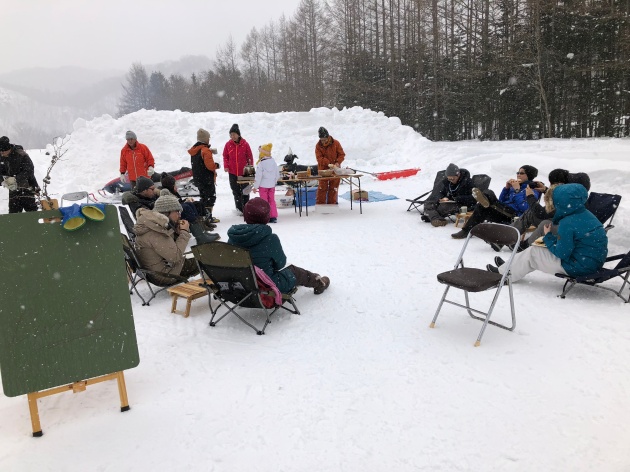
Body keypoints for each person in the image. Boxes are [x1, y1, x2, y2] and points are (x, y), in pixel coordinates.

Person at [487, 183, 608, 282]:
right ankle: (509, 267)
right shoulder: (586, 214)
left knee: (534, 252)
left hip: (578, 267)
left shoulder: (567, 222)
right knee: (536, 249)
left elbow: (562, 253)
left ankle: (503, 275)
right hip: (592, 262)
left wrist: (548, 236)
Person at [227, 198, 330, 294]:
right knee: (293, 271)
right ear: (266, 217)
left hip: (241, 285)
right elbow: (281, 264)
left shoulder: (234, 237)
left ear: (245, 216)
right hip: (266, 287)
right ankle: (319, 282)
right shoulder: (270, 239)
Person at [451, 165, 540, 239]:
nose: (518, 175)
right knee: (482, 203)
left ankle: (485, 200)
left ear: (529, 175)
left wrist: (517, 191)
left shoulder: (532, 189)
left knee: (488, 194)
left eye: (521, 173)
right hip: (504, 212)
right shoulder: (515, 185)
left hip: (514, 215)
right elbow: (502, 201)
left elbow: (525, 208)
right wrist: (507, 188)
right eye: (518, 172)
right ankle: (466, 231)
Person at [133, 190, 200, 286]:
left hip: (156, 271)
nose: (179, 215)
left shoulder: (151, 224)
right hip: (165, 275)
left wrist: (176, 231)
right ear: (166, 213)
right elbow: (175, 257)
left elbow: (166, 246)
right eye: (177, 211)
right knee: (204, 259)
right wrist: (184, 233)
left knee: (201, 258)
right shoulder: (156, 232)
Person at [0, 136, 40, 213]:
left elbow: (29, 170)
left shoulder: (21, 155)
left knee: (31, 214)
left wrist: (15, 179)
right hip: (13, 190)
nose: (2, 154)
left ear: (9, 149)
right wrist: (3, 181)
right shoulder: (1, 157)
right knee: (13, 216)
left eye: (3, 152)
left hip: (27, 187)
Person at [188, 128, 220, 224]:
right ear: (205, 139)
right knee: (210, 197)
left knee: (203, 197)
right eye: (208, 138)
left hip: (198, 178)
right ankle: (208, 217)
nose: (209, 139)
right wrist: (216, 166)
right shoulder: (205, 150)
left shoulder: (195, 150)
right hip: (207, 178)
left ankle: (203, 215)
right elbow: (210, 166)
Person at [222, 123, 253, 214]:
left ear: (238, 134)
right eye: (231, 135)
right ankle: (239, 209)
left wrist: (250, 168)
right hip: (232, 172)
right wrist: (226, 166)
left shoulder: (245, 144)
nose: (232, 136)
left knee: (246, 191)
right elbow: (225, 156)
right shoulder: (228, 145)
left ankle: (246, 208)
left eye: (234, 134)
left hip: (244, 171)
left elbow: (249, 157)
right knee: (235, 191)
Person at [315, 126, 345, 204]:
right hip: (323, 170)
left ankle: (332, 205)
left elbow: (341, 154)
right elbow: (319, 158)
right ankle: (321, 206)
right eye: (321, 140)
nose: (323, 142)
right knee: (322, 189)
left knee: (333, 188)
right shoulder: (318, 146)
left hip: (335, 169)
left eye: (324, 140)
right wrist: (328, 163)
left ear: (328, 137)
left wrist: (338, 162)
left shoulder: (336, 143)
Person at [252, 143, 280, 223]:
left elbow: (258, 177)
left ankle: (265, 216)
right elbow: (277, 174)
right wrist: (274, 182)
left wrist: (255, 187)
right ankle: (273, 216)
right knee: (272, 200)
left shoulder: (261, 164)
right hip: (271, 186)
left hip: (263, 186)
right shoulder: (273, 162)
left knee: (264, 201)